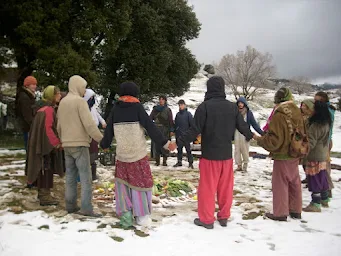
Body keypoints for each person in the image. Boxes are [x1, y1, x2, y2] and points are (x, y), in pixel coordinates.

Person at [178, 76, 254, 229]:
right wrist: (253, 135)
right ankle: (224, 216)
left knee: (207, 188)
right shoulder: (232, 107)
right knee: (225, 188)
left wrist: (179, 141)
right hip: (226, 156)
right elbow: (243, 126)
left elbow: (195, 130)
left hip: (210, 156)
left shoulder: (204, 107)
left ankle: (206, 220)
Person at [101, 82, 176, 228]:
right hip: (138, 156)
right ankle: (141, 216)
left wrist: (104, 145)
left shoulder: (115, 109)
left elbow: (108, 132)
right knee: (139, 185)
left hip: (122, 157)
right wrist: (166, 144)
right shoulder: (137, 108)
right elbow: (151, 127)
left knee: (123, 186)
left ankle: (126, 215)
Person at [254, 87, 304, 221]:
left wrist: (259, 139)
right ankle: (296, 210)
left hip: (282, 154)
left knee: (280, 184)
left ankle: (280, 213)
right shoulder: (297, 112)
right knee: (295, 182)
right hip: (295, 152)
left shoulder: (279, 115)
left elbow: (274, 141)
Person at [57, 75, 103, 217]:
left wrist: (62, 140)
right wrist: (101, 139)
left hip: (67, 145)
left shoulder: (63, 102)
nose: (84, 91)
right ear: (77, 86)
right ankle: (86, 208)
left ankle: (70, 206)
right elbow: (89, 125)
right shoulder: (80, 102)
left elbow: (58, 125)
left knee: (70, 176)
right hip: (80, 145)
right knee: (85, 177)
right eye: (83, 87)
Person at [26, 86, 64, 206]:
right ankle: (45, 196)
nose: (60, 96)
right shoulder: (48, 110)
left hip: (41, 143)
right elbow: (48, 129)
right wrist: (56, 143)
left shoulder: (42, 108)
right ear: (52, 96)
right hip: (45, 145)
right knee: (45, 169)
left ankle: (43, 194)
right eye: (57, 94)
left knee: (43, 168)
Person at [302, 101, 331, 212]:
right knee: (322, 176)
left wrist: (302, 148)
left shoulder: (315, 125)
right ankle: (325, 198)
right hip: (322, 154)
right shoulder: (326, 122)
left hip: (314, 155)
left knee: (314, 179)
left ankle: (315, 203)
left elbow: (311, 142)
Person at [314, 91, 335, 199]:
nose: (315, 102)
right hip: (325, 141)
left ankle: (328, 188)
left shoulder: (327, 111)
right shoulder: (327, 109)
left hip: (324, 141)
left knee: (324, 166)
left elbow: (327, 128)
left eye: (318, 100)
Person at [234, 97, 264, 172]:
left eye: (242, 103)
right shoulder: (235, 112)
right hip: (237, 132)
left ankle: (245, 165)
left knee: (245, 149)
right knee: (237, 150)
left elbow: (254, 124)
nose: (240, 105)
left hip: (245, 133)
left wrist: (262, 133)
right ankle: (239, 165)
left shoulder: (248, 113)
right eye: (239, 103)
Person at [83, 89, 107, 181]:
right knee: (87, 153)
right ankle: (85, 174)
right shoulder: (83, 107)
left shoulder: (92, 107)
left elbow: (97, 115)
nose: (92, 99)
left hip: (94, 130)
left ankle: (93, 174)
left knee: (94, 152)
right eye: (91, 97)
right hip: (87, 132)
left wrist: (103, 122)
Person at [150, 95, 174, 166]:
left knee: (165, 145)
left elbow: (170, 121)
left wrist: (171, 130)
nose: (161, 100)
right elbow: (150, 118)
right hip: (157, 129)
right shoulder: (155, 109)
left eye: (162, 99)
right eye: (160, 99)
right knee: (157, 145)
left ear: (165, 100)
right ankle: (157, 161)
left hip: (165, 130)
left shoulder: (168, 110)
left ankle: (164, 161)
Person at [16, 76, 37, 150]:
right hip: (28, 128)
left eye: (35, 84)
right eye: (33, 84)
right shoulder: (24, 97)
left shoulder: (30, 96)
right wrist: (34, 126)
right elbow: (27, 115)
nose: (35, 86)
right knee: (30, 149)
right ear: (27, 85)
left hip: (29, 127)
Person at [173, 100, 194, 169]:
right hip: (179, 135)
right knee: (179, 150)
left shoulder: (188, 114)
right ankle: (179, 161)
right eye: (179, 105)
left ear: (184, 105)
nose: (180, 106)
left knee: (188, 150)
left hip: (186, 135)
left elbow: (192, 125)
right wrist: (175, 131)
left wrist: (190, 134)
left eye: (181, 105)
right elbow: (175, 125)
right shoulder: (178, 115)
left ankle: (190, 163)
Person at [300, 99, 314, 184]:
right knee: (304, 162)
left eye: (305, 106)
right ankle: (308, 177)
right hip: (303, 141)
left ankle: (311, 179)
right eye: (302, 105)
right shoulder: (301, 116)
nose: (302, 107)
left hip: (310, 141)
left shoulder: (312, 118)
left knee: (310, 162)